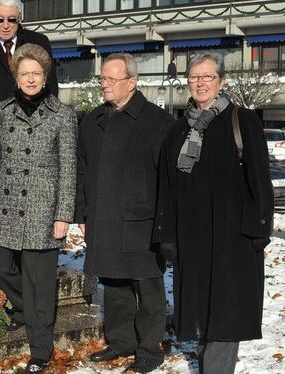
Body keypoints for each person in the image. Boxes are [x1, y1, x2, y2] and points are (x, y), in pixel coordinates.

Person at [154, 52, 273, 374]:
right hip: (192, 240)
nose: (201, 83)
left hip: (232, 239)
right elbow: (167, 185)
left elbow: (259, 179)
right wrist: (167, 235)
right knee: (202, 315)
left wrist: (259, 230)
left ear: (221, 81)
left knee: (225, 314)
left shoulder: (242, 120)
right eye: (194, 77)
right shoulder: (177, 131)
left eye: (208, 77)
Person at [0, 43, 77, 374]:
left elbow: (68, 168)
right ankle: (23, 309)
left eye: (36, 73)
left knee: (41, 283)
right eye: (24, 73)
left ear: (45, 77)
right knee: (0, 267)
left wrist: (64, 214)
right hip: (5, 206)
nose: (30, 79)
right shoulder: (1, 110)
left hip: (43, 211)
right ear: (16, 77)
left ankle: (40, 348)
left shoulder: (63, 115)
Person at [76, 53, 174, 373]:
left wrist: (164, 223)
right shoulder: (92, 120)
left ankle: (149, 349)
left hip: (142, 220)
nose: (104, 84)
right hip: (103, 218)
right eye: (102, 79)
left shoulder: (158, 122)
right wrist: (83, 215)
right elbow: (82, 171)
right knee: (114, 285)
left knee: (148, 288)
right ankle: (120, 342)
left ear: (131, 82)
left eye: (111, 79)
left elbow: (169, 179)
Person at [0, 0, 58, 169]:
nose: (5, 25)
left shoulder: (39, 42)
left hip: (33, 133)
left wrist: (48, 130)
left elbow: (51, 89)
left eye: (11, 19)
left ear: (20, 19)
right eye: (0, 20)